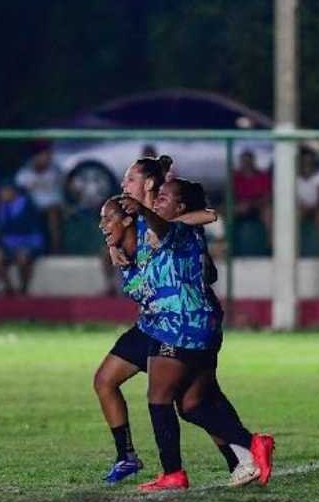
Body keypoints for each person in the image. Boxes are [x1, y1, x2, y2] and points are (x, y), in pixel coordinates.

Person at [116, 178, 274, 491]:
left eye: (164, 197)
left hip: (181, 326)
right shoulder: (163, 234)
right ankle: (249, 448)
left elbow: (171, 224)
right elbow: (143, 283)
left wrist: (146, 211)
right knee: (192, 406)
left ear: (180, 207)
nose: (157, 201)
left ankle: (175, 473)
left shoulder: (180, 229)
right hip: (191, 325)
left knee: (158, 397)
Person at [93, 156, 235, 484]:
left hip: (183, 322)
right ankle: (127, 455)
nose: (123, 186)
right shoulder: (127, 216)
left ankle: (235, 456)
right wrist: (115, 246)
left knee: (194, 401)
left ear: (148, 185)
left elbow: (208, 217)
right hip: (154, 322)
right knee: (106, 380)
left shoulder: (166, 217)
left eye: (129, 180)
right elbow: (111, 223)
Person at [0, 180, 44, 295]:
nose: (2, 194)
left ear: (13, 192)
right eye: (1, 192)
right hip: (7, 243)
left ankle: (24, 288)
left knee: (22, 256)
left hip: (28, 241)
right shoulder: (0, 206)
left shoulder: (26, 204)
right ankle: (9, 287)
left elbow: (29, 226)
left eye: (5, 191)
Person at [16, 142, 65, 254]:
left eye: (47, 155)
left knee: (53, 213)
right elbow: (19, 192)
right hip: (32, 207)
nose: (46, 158)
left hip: (52, 207)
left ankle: (56, 249)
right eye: (43, 155)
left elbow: (63, 189)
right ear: (35, 157)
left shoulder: (55, 171)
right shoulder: (25, 172)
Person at [296, 148, 319, 249]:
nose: (307, 163)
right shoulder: (294, 176)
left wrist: (312, 207)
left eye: (309, 160)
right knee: (294, 215)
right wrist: (302, 206)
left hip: (317, 207)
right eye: (305, 160)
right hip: (300, 207)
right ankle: (293, 248)